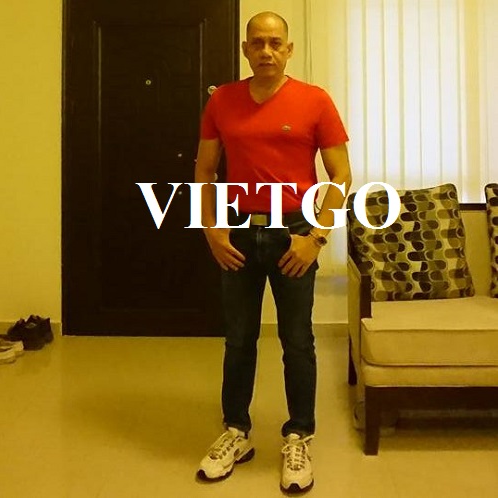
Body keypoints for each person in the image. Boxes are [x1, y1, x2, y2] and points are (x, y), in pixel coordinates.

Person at [194, 11, 352, 494]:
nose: (266, 51)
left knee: (297, 340)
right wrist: (212, 229)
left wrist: (316, 238)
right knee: (239, 339)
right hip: (239, 233)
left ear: (288, 49)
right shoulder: (223, 100)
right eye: (257, 42)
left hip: (295, 235)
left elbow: (340, 176)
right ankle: (236, 431)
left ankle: (298, 435)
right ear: (246, 49)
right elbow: (205, 170)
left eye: (275, 43)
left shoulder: (315, 100)